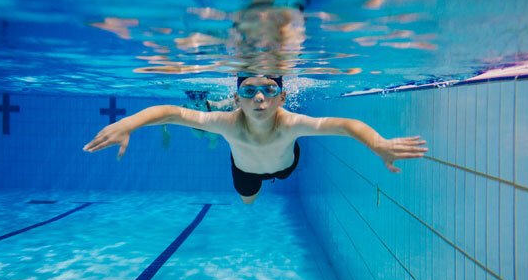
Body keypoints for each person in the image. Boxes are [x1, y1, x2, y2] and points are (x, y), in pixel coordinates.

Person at [83, 75, 428, 204]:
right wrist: (128, 123)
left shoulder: (292, 123)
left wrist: (377, 143)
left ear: (281, 97)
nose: (259, 98)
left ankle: (272, 177)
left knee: (278, 173)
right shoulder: (227, 123)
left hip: (286, 165)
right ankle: (257, 189)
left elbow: (345, 125)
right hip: (244, 170)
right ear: (237, 99)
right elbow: (171, 112)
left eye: (269, 90)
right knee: (249, 200)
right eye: (249, 91)